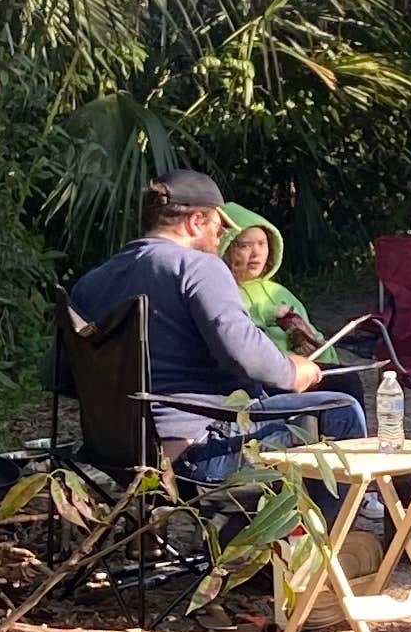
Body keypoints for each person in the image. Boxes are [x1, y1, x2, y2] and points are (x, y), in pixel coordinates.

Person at [68, 172, 367, 498]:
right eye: (218, 226)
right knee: (341, 408)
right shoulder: (197, 267)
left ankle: (251, 527)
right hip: (200, 451)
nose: (220, 237)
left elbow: (62, 375)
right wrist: (292, 371)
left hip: (113, 453)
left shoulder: (93, 281)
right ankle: (319, 531)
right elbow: (244, 352)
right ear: (196, 221)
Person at [222, 204, 323, 361]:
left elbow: (313, 336)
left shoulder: (280, 292)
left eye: (262, 244)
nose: (256, 253)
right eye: (245, 246)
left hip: (306, 367)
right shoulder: (220, 293)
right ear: (224, 247)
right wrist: (269, 314)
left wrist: (319, 347)